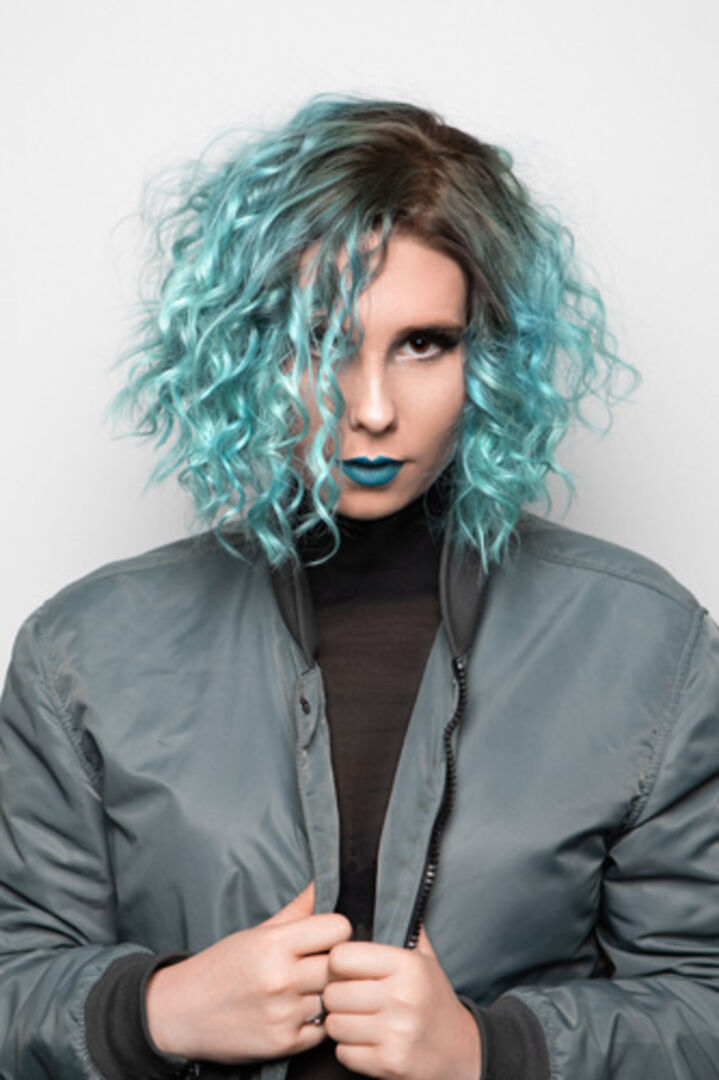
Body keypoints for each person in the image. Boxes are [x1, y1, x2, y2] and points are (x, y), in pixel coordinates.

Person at [1, 94, 718, 1080]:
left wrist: (493, 1049)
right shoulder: (84, 650)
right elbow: (15, 976)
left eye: (422, 343)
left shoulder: (644, 641)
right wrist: (154, 1010)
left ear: (490, 353)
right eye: (319, 344)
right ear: (244, 352)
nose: (370, 409)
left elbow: (698, 998)